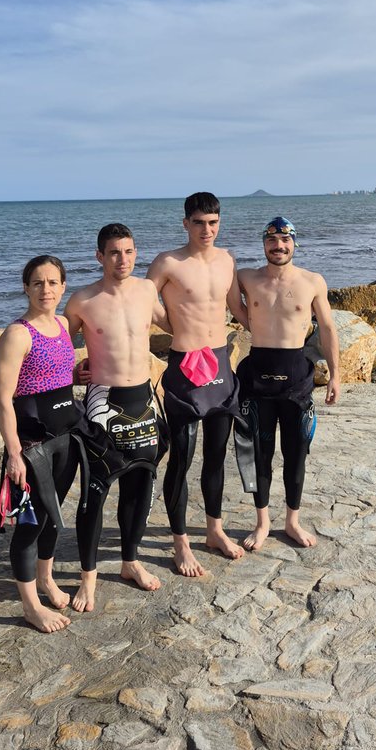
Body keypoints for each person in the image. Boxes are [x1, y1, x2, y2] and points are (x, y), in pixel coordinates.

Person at [64, 223, 170, 612]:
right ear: (99, 256)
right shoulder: (82, 301)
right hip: (103, 402)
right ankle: (88, 580)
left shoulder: (147, 290)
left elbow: (175, 323)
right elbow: (57, 346)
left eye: (127, 251)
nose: (121, 259)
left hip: (143, 399)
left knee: (140, 487)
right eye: (113, 253)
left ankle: (130, 561)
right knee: (96, 490)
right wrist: (74, 372)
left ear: (135, 253)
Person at [147, 192, 249, 577]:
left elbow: (238, 309)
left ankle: (214, 530)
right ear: (185, 223)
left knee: (216, 455)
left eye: (213, 223)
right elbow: (144, 300)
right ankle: (180, 543)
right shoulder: (168, 262)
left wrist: (276, 332)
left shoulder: (227, 261)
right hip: (185, 367)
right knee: (182, 458)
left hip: (221, 364)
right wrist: (173, 324)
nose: (207, 230)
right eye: (199, 222)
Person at [236, 217, 340, 550]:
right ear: (263, 244)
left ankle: (292, 522)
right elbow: (220, 297)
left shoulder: (312, 281)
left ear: (294, 243)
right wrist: (247, 320)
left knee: (296, 454)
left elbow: (327, 329)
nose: (278, 246)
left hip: (296, 376)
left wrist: (336, 375)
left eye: (285, 241)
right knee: (259, 453)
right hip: (257, 376)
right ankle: (263, 522)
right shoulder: (246, 279)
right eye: (271, 241)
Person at [0, 255, 82, 633]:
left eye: (53, 282)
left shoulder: (62, 324)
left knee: (52, 516)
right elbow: (2, 398)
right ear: (26, 287)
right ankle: (31, 606)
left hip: (65, 437)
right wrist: (14, 453)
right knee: (29, 524)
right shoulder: (18, 333)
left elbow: (56, 374)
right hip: (32, 445)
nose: (46, 289)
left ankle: (46, 580)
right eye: (37, 282)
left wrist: (81, 372)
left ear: (63, 287)